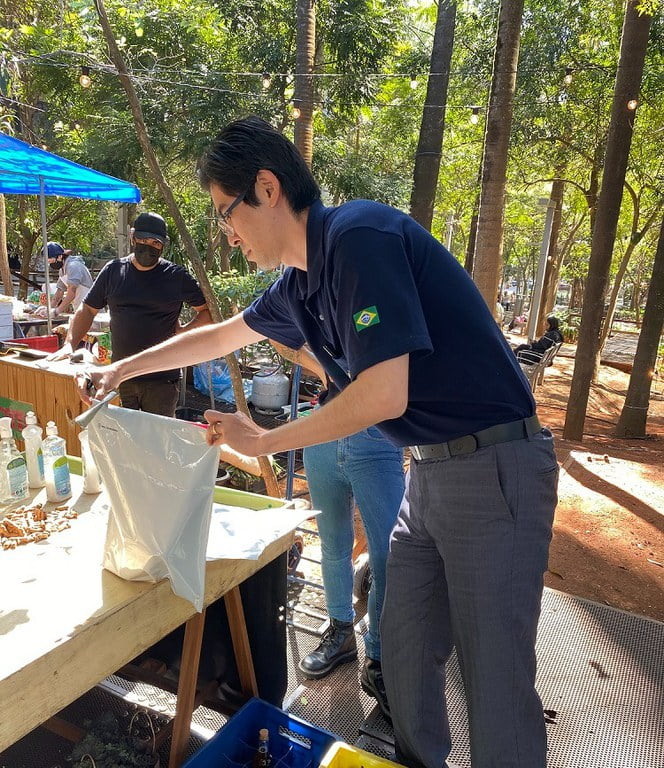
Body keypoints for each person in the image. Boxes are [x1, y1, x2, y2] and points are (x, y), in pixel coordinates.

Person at [80, 116, 558, 768]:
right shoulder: (297, 288)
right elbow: (219, 338)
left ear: (267, 188)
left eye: (227, 212)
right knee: (407, 654)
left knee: (495, 682)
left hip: (494, 463)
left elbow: (384, 393)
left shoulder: (359, 238)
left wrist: (267, 438)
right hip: (428, 472)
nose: (228, 233)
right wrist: (120, 368)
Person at [299, 403, 404, 721]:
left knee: (388, 556)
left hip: (376, 436)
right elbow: (294, 352)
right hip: (322, 432)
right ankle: (341, 633)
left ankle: (378, 658)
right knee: (333, 546)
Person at [59, 212, 211, 417]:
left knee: (156, 441)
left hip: (162, 381)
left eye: (155, 242)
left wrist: (183, 333)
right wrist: (70, 343)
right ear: (132, 237)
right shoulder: (114, 271)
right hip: (121, 377)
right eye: (143, 239)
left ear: (163, 245)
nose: (148, 246)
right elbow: (87, 309)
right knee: (123, 437)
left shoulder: (176, 276)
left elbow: (206, 312)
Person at [46, 242, 94, 316]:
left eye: (50, 260)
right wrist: (48, 309)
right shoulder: (62, 270)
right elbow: (59, 292)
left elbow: (71, 292)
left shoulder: (73, 266)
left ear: (59, 256)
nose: (50, 263)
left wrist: (57, 311)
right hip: (79, 308)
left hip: (91, 307)